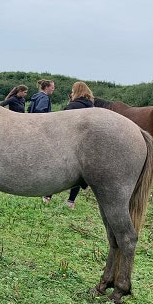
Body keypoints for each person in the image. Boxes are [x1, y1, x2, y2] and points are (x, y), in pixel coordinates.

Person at [62, 81, 95, 209]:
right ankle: (71, 201)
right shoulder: (91, 107)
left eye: (72, 90)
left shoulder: (72, 106)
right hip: (86, 144)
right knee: (79, 174)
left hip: (70, 142)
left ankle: (48, 196)